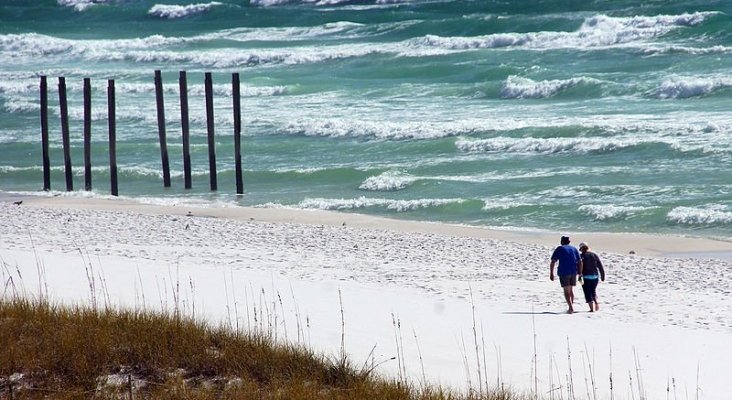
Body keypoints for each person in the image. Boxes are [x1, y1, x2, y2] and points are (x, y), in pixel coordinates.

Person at [549, 236, 582, 314]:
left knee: (566, 291)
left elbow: (553, 261)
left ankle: (570, 308)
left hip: (564, 272)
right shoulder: (574, 249)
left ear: (562, 241)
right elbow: (580, 262)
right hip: (574, 272)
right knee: (570, 291)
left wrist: (551, 273)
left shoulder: (559, 249)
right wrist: (580, 273)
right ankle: (571, 306)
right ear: (569, 242)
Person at [578, 242, 605, 312]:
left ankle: (591, 309)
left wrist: (579, 277)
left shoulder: (581, 256)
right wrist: (602, 276)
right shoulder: (594, 255)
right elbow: (600, 266)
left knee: (587, 292)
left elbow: (578, 267)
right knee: (593, 291)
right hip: (595, 277)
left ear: (581, 249)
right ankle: (596, 303)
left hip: (585, 277)